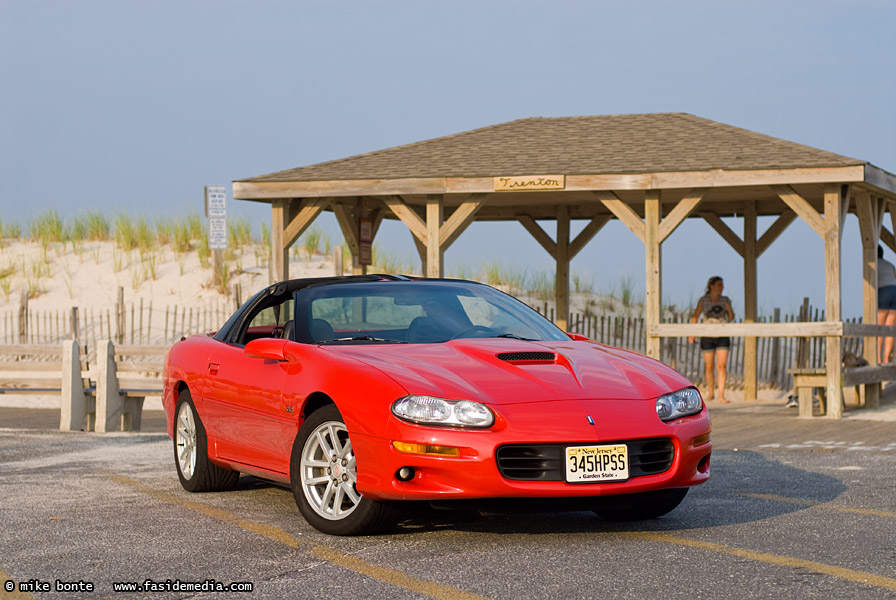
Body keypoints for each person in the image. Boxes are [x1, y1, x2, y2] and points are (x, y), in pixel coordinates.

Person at [688, 276, 735, 403]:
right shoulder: (703, 300)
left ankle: (721, 395)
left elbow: (731, 317)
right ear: (712, 286)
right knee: (709, 366)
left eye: (723, 285)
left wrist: (729, 310)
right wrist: (692, 333)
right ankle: (710, 393)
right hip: (707, 336)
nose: (722, 288)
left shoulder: (725, 300)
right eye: (720, 285)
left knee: (722, 366)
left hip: (722, 335)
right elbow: (695, 317)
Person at [877, 246, 896, 363]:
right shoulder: (889, 265)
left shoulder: (875, 264)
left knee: (879, 327)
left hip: (883, 291)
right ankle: (886, 358)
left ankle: (878, 358)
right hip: (895, 290)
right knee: (890, 327)